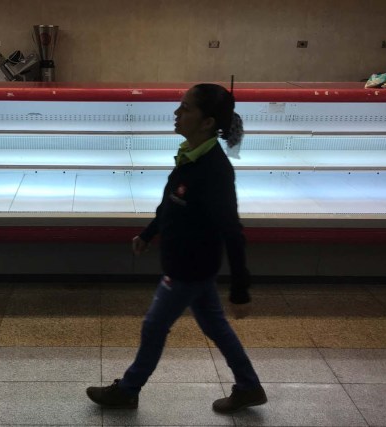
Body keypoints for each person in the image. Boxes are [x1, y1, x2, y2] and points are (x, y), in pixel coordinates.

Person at [86, 83, 267, 413]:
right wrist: (149, 233)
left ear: (207, 122)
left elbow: (232, 231)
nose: (176, 113)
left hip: (189, 268)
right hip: (191, 265)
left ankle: (128, 390)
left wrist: (241, 289)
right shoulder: (191, 155)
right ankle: (249, 386)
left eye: (185, 109)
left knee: (154, 326)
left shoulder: (214, 170)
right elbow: (172, 203)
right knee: (215, 327)